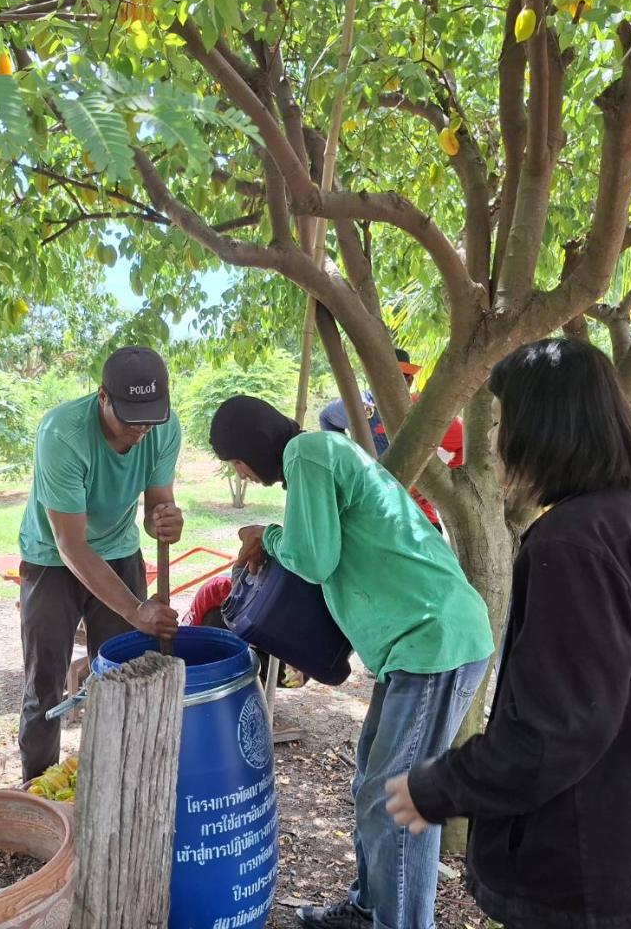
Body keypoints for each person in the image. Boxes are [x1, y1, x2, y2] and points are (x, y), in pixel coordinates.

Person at [385, 339, 631, 929]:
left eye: (507, 422)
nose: (498, 441)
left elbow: (552, 732)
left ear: (546, 428)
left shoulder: (577, 542)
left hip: (591, 880)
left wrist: (438, 787)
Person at [209, 395, 493, 929]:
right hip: (412, 648)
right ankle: (367, 909)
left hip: (434, 640)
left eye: (235, 461)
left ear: (249, 447)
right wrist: (274, 536)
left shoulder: (308, 453)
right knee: (373, 784)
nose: (240, 472)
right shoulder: (321, 456)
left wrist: (264, 536)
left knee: (398, 800)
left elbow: (314, 559)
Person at [16, 346, 183, 781]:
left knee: (123, 678)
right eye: (131, 417)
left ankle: (117, 784)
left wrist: (164, 520)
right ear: (103, 397)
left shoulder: (162, 429)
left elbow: (156, 507)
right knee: (44, 687)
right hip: (52, 560)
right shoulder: (62, 434)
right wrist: (135, 609)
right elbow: (71, 544)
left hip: (121, 552)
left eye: (151, 416)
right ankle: (38, 791)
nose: (142, 429)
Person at [318, 347, 463, 532]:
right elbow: (327, 418)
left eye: (393, 378)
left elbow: (466, 443)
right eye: (378, 377)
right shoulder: (358, 407)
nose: (384, 385)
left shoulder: (427, 412)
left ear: (409, 381)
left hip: (418, 519)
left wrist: (438, 484)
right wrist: (345, 461)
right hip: (372, 514)